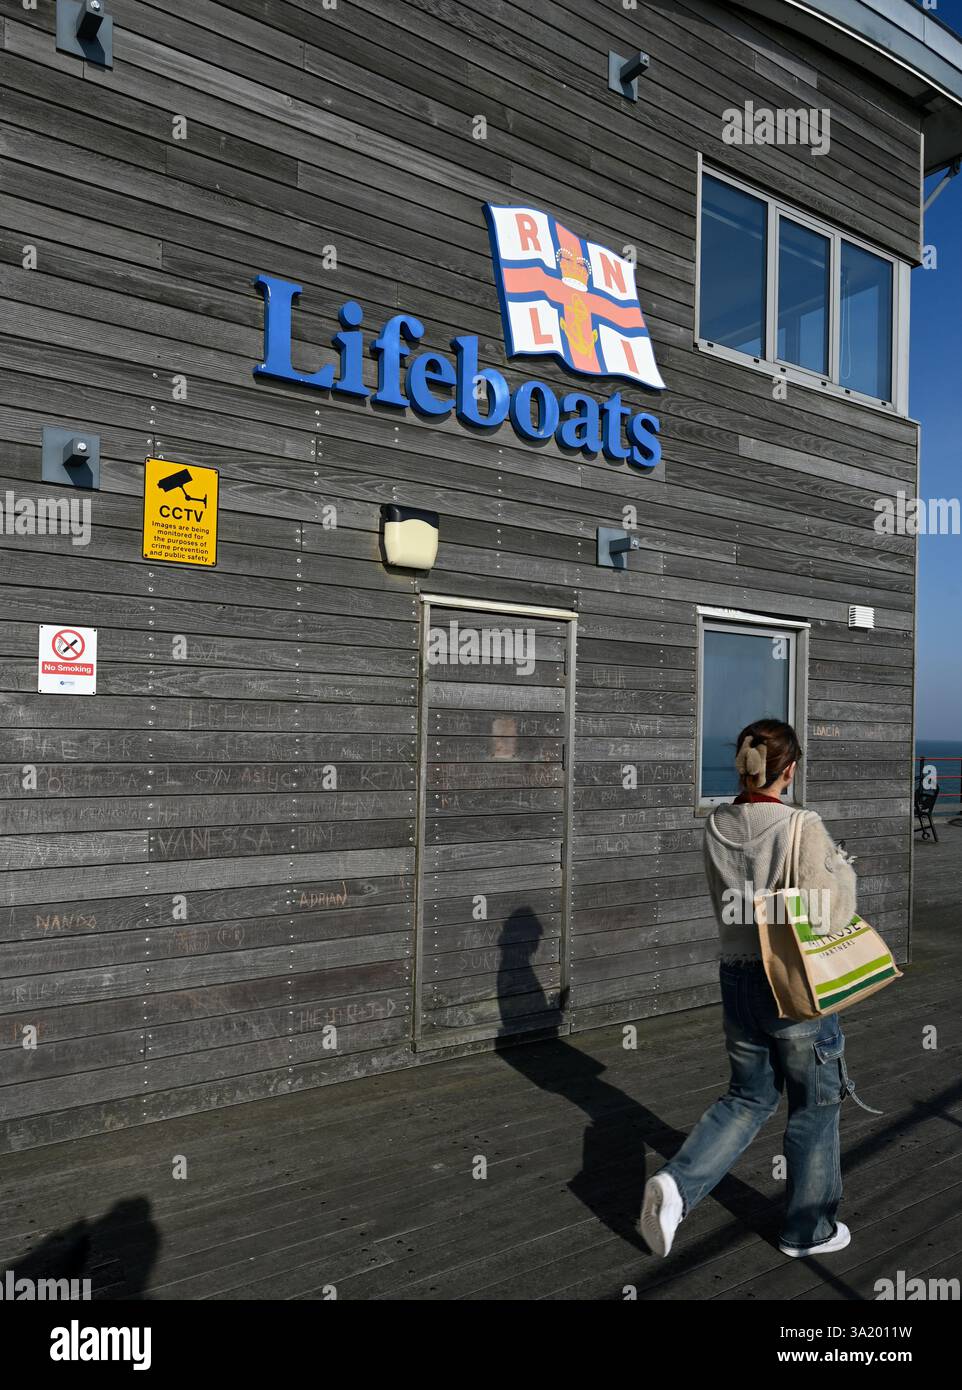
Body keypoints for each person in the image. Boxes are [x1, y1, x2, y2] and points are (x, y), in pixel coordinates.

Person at [639, 718, 878, 1260]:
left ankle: (677, 1186)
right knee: (814, 1104)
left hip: (736, 974)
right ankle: (807, 1231)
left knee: (747, 1097)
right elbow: (827, 916)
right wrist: (842, 867)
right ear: (788, 770)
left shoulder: (717, 823)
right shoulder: (802, 825)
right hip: (791, 983)